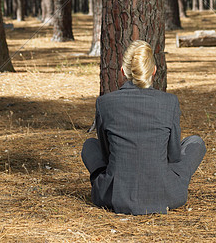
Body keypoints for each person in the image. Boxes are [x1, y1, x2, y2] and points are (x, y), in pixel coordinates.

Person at [81, 40, 206, 215]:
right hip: (166, 193)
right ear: (153, 71)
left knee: (90, 145)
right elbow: (174, 155)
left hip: (113, 194)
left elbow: (106, 153)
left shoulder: (104, 103)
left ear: (123, 71)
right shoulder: (169, 102)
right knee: (196, 143)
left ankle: (104, 182)